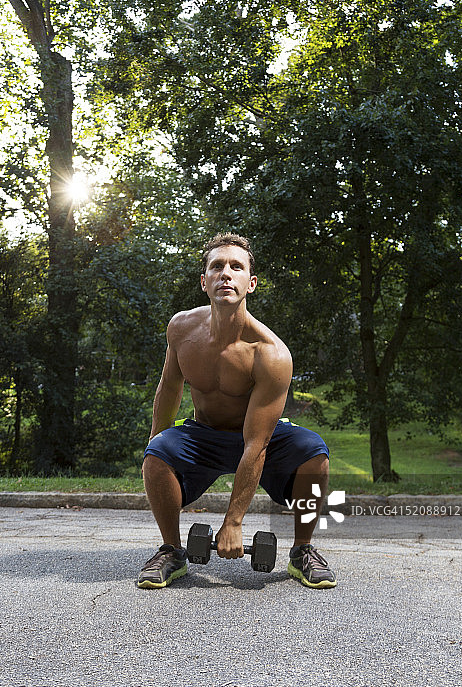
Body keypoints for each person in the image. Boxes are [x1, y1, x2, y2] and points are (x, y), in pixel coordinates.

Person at [138, 233, 336, 590]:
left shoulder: (270, 353)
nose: (226, 274)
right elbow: (169, 386)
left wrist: (234, 521)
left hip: (262, 438)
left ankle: (303, 550)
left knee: (314, 453)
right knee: (156, 454)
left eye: (236, 267)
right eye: (217, 266)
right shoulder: (181, 328)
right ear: (204, 281)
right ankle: (172, 552)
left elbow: (256, 443)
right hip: (204, 434)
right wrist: (157, 444)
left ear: (251, 283)